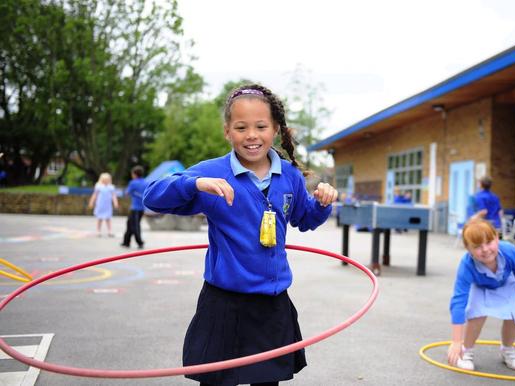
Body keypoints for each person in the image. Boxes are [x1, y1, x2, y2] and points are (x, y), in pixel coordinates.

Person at [143, 83, 338, 386]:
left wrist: (322, 204)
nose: (251, 135)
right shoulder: (212, 172)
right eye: (241, 127)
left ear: (275, 129)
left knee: (267, 381)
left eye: (261, 126)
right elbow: (152, 197)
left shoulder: (289, 176)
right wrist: (194, 185)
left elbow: (305, 218)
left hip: (271, 304)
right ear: (227, 132)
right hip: (224, 303)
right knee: (218, 382)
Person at [448, 218, 515, 372]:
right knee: (476, 314)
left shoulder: (510, 251)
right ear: (468, 249)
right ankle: (466, 351)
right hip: (481, 286)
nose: (485, 249)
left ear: (497, 238)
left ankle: (507, 349)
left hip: (506, 283)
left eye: (489, 242)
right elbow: (458, 301)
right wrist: (456, 341)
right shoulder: (466, 265)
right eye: (477, 246)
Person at [121, 165, 147, 249]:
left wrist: (131, 193)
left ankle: (140, 242)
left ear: (135, 174)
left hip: (135, 208)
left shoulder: (133, 182)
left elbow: (126, 193)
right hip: (142, 208)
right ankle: (126, 242)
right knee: (129, 224)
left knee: (135, 226)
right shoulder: (145, 182)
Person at [88, 172, 118, 237]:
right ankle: (98, 231)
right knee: (99, 218)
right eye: (104, 180)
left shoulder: (111, 187)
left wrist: (115, 203)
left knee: (108, 219)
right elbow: (94, 195)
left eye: (107, 180)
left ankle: (110, 231)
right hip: (100, 205)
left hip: (107, 206)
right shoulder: (98, 186)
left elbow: (114, 196)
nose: (106, 181)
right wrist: (91, 202)